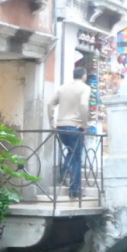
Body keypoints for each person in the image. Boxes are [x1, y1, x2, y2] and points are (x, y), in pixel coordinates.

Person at [49, 67, 92, 198]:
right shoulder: (85, 88)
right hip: (75, 126)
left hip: (61, 126)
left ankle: (64, 172)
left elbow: (50, 104)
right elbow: (83, 105)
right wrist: (84, 124)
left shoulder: (63, 88)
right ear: (84, 76)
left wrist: (52, 122)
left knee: (71, 152)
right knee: (77, 158)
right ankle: (74, 190)